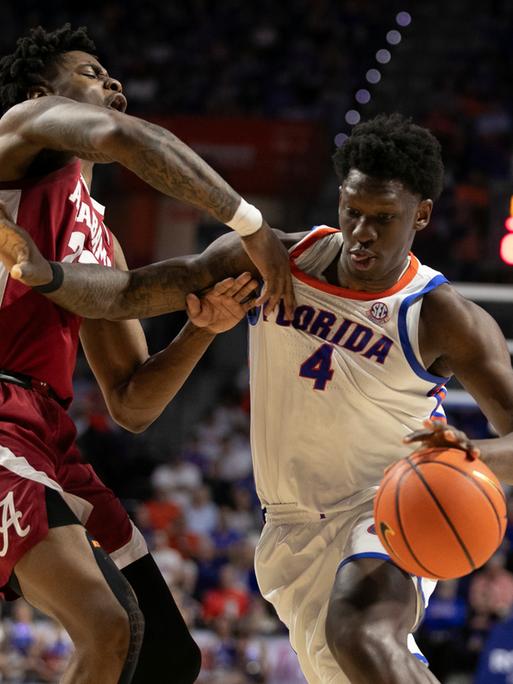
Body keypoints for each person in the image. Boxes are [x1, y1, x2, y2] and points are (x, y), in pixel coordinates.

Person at [4, 113, 513, 683]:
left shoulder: (443, 316)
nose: (362, 232)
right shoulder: (275, 261)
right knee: (359, 662)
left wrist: (463, 455)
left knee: (362, 632)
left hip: (389, 502)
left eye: (384, 218)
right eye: (353, 211)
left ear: (421, 214)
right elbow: (130, 293)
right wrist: (43, 271)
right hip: (290, 525)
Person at [0, 22, 278, 684]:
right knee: (105, 624)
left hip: (47, 437)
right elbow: (127, 140)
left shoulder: (104, 241)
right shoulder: (21, 132)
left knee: (164, 655)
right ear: (47, 93)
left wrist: (202, 328)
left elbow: (130, 402)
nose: (112, 83)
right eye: (92, 73)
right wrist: (249, 223)